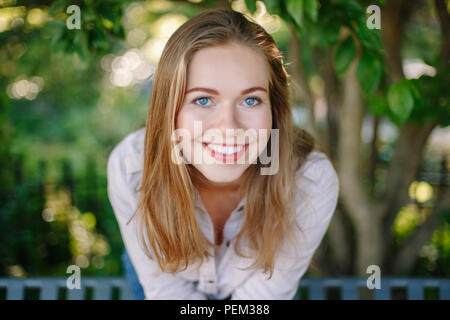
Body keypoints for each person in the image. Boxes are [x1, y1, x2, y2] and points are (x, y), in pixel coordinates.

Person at [107, 8, 339, 300]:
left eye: (251, 100)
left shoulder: (309, 178)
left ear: (274, 109)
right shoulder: (132, 167)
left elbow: (264, 296)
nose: (229, 128)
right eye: (203, 99)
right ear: (170, 108)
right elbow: (167, 292)